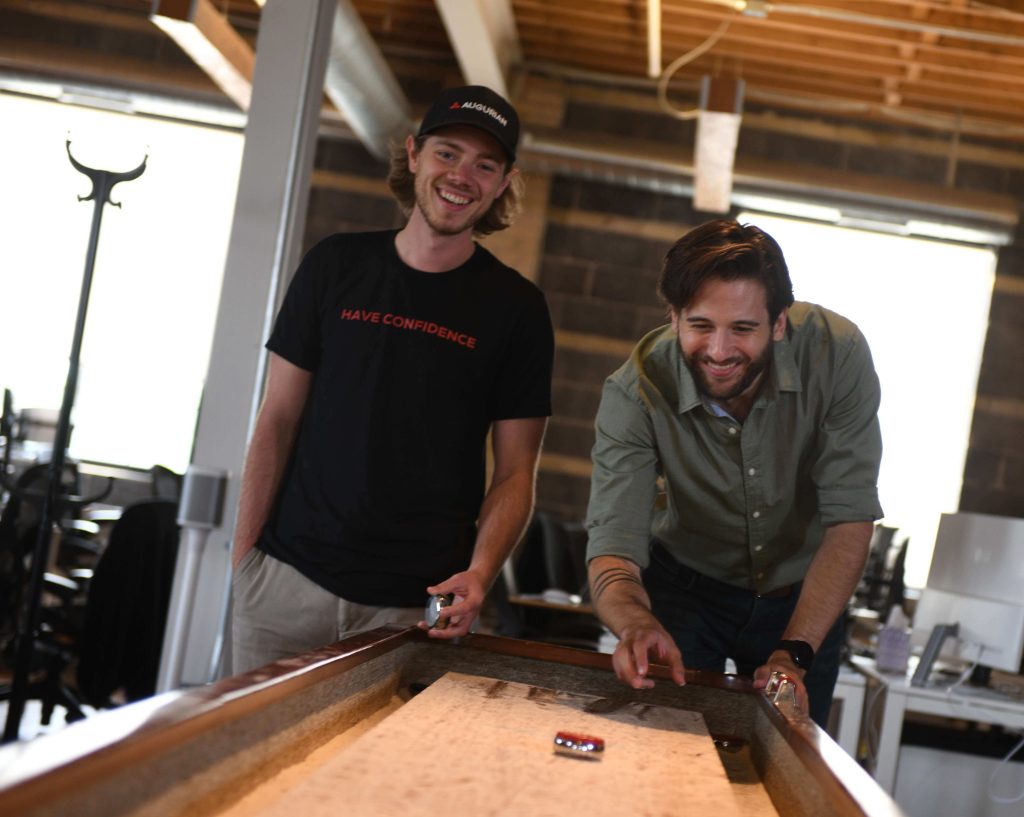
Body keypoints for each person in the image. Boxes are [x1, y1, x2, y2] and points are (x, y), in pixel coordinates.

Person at [231, 86, 554, 674]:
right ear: (413, 155)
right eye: (448, 153)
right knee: (245, 762)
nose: (462, 176)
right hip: (284, 585)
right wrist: (244, 559)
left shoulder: (518, 310)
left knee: (378, 769)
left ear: (504, 183)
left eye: (485, 165)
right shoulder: (335, 265)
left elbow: (514, 472)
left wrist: (479, 576)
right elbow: (276, 417)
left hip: (414, 605)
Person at [585, 218, 882, 725]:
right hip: (686, 591)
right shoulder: (633, 391)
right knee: (665, 746)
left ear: (780, 323)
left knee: (785, 758)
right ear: (674, 317)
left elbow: (849, 518)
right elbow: (614, 543)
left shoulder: (837, 354)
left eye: (743, 328)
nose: (719, 352)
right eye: (701, 326)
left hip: (803, 597)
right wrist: (635, 622)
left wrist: (796, 652)